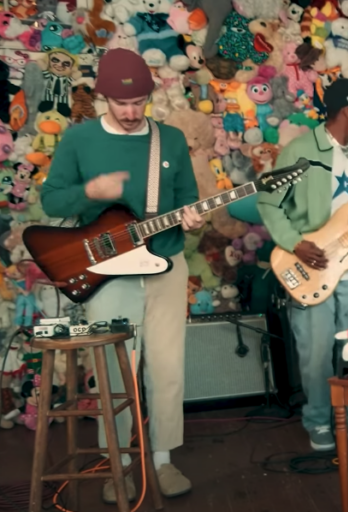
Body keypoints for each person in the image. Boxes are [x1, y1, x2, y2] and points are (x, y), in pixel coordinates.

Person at [41, 48, 202, 503]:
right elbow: (51, 202)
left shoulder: (168, 140)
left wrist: (193, 219)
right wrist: (88, 192)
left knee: (168, 368)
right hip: (108, 273)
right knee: (118, 373)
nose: (131, 113)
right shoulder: (78, 140)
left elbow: (188, 199)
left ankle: (164, 461)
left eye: (139, 104)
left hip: (166, 262)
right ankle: (120, 463)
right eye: (121, 103)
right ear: (101, 97)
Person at [258, 79, 348, 452]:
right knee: (316, 350)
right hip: (312, 266)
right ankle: (319, 421)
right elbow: (268, 203)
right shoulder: (300, 151)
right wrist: (296, 243)